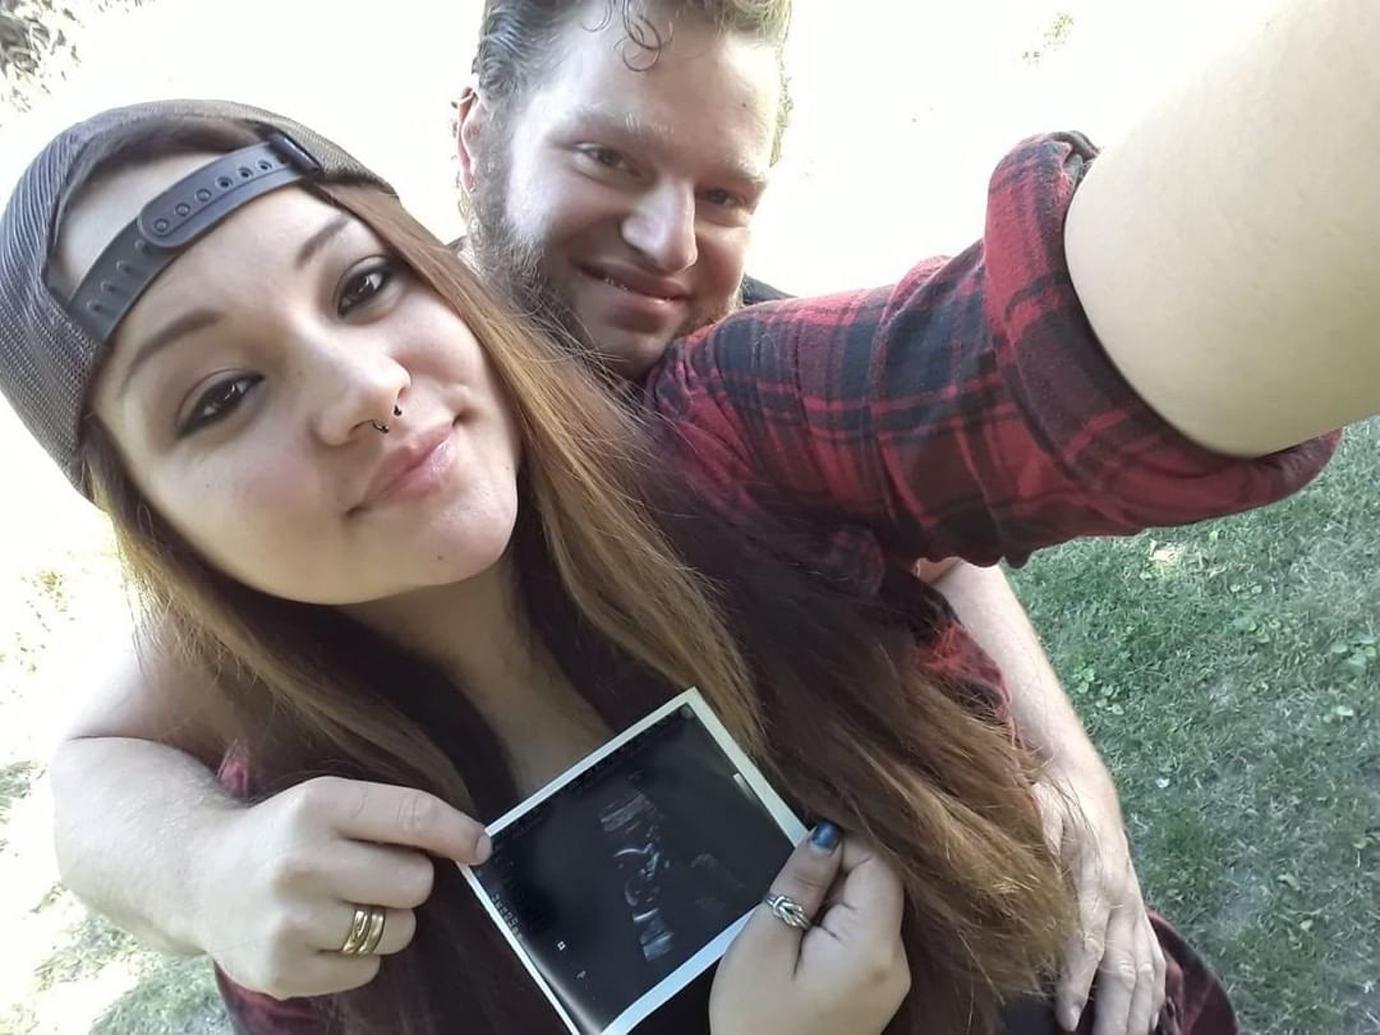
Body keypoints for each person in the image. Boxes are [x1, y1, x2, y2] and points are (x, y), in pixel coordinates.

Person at [5, 1, 1375, 1015]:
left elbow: (1040, 365)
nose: (365, 385)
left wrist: (1078, 779)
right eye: (218, 395)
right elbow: (96, 766)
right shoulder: (312, 887)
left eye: (362, 286)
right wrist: (199, 870)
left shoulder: (721, 418)